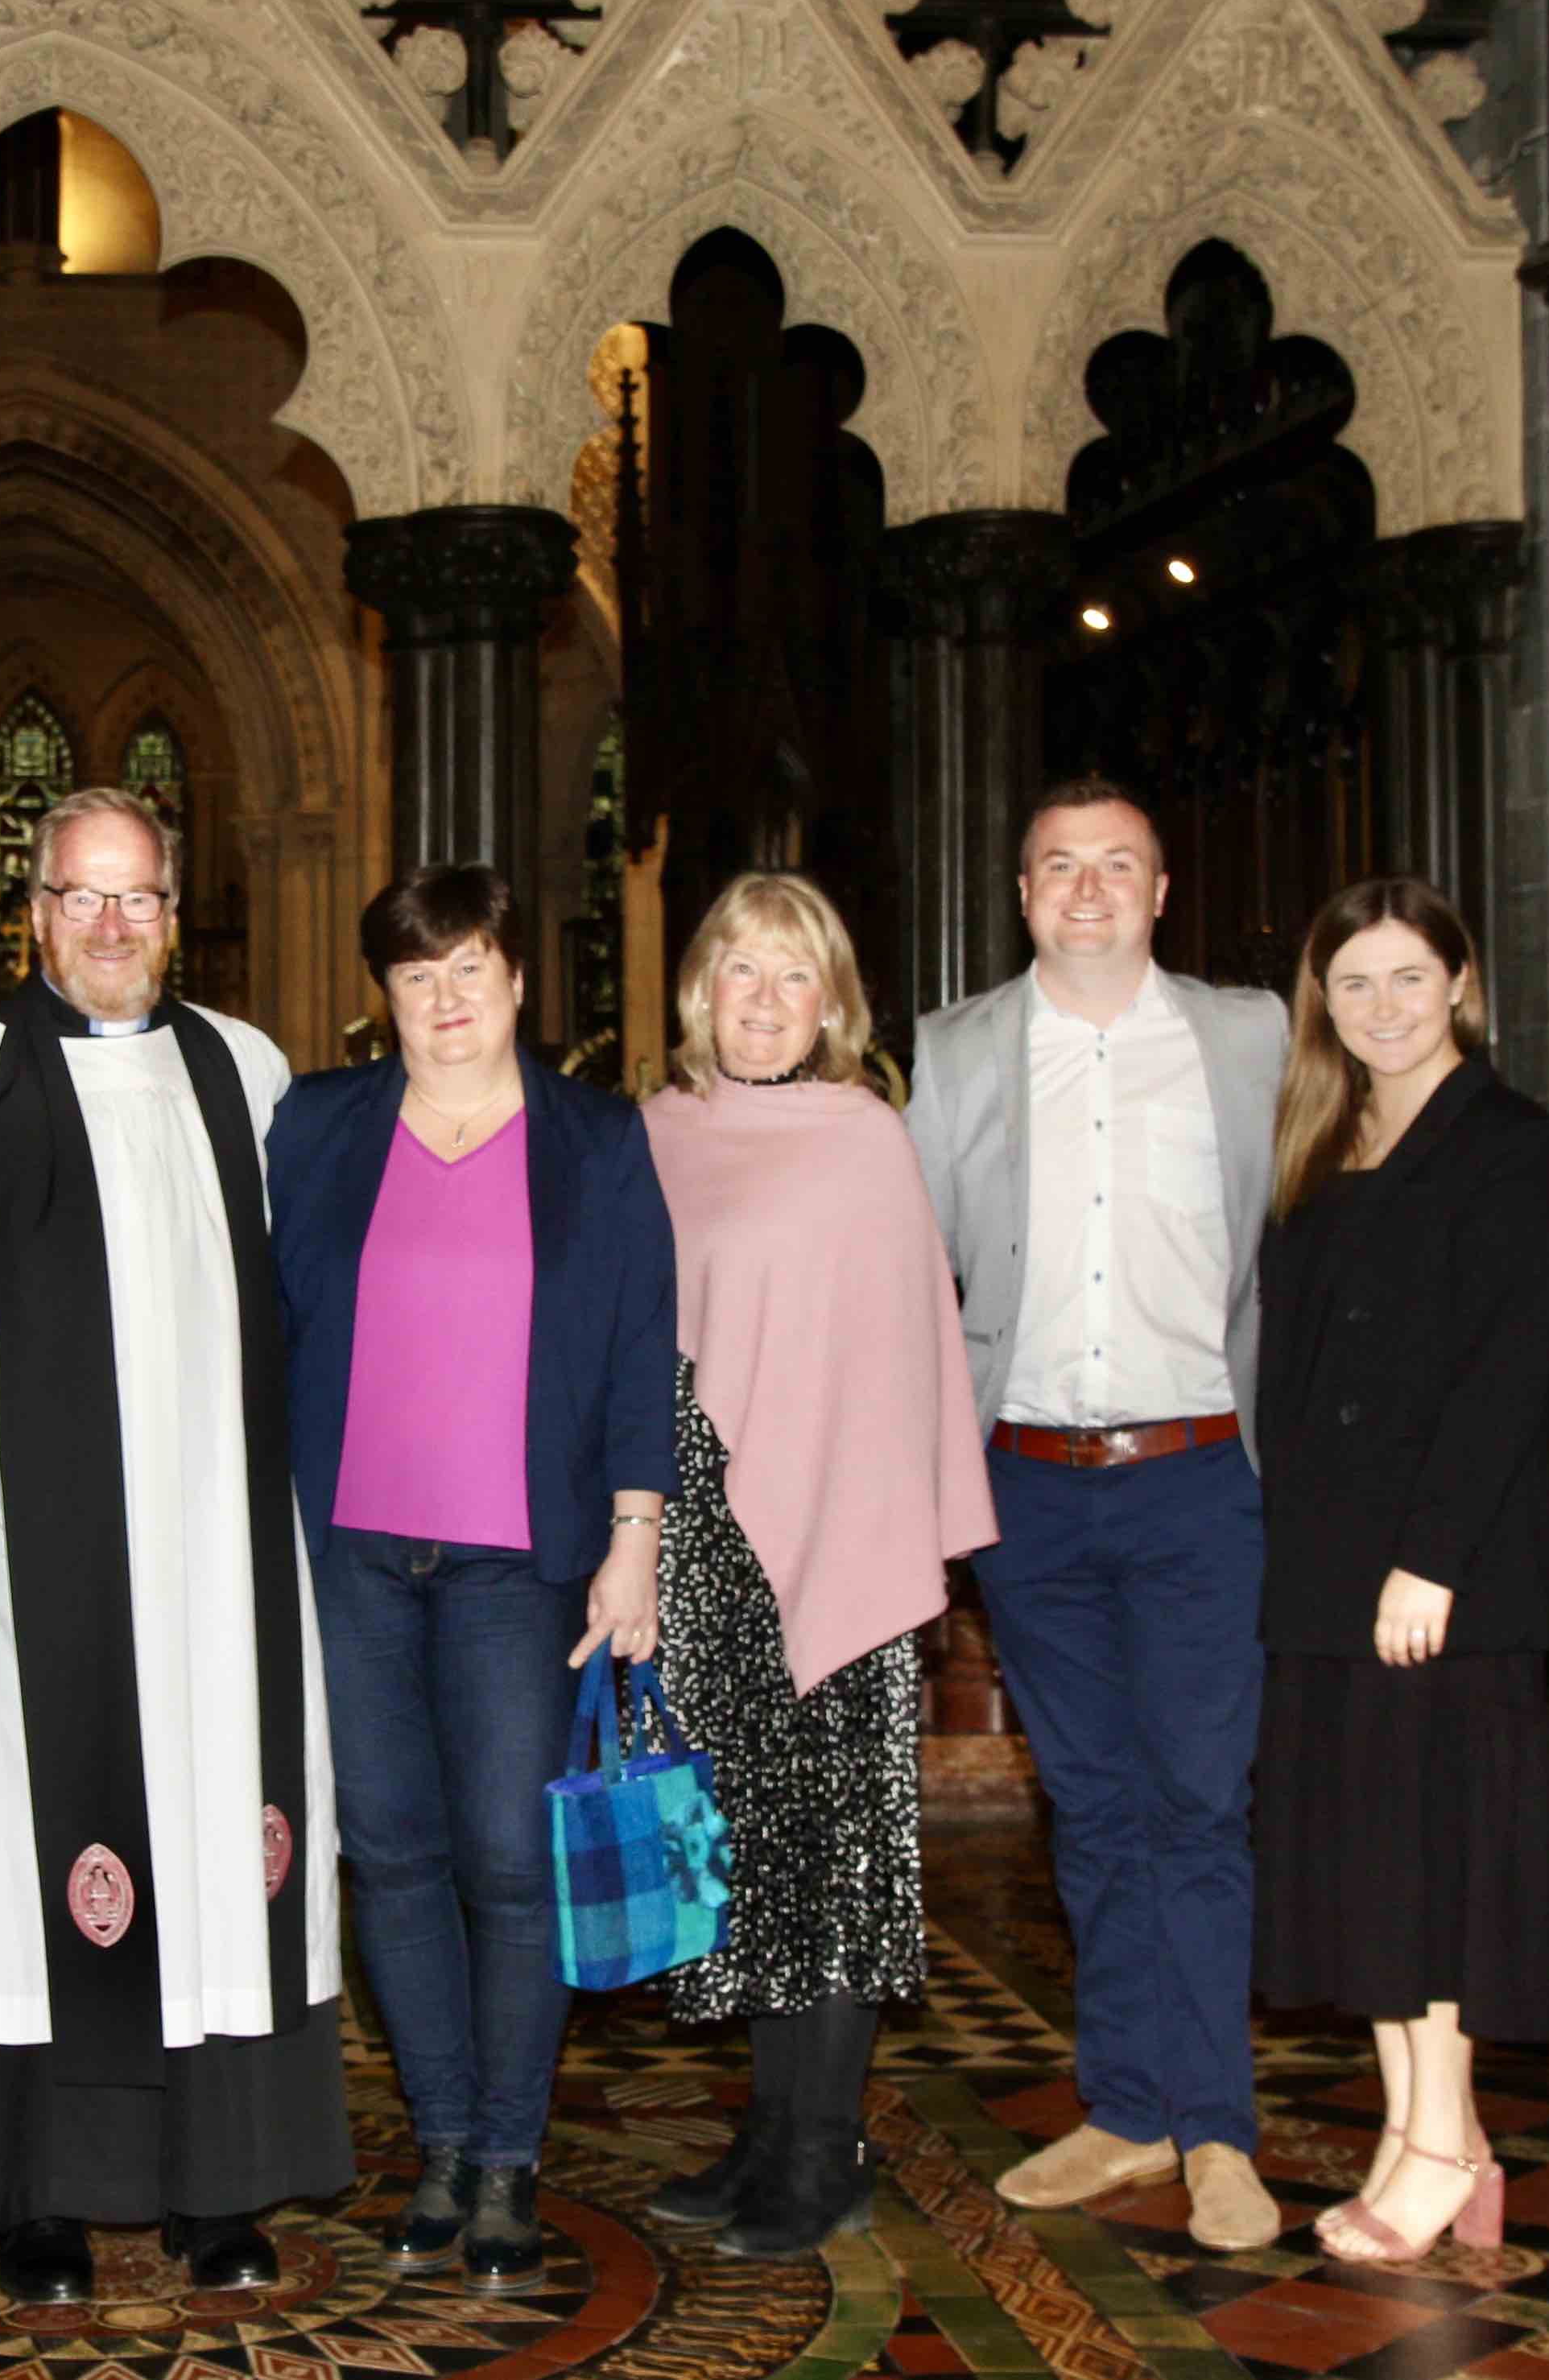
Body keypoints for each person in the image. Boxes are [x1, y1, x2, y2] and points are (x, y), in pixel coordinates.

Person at [0, 786, 349, 2301]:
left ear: (177, 912)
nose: (110, 926)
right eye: (81, 898)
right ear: (31, 912)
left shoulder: (249, 1069)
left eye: (138, 898)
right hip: (45, 1562)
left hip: (222, 1551)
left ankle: (214, 2184)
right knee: (41, 1857)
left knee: (225, 1839)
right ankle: (35, 2192)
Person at [265, 864, 675, 2290]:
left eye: (470, 969)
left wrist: (638, 1534)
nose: (445, 999)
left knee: (509, 1863)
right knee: (388, 1853)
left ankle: (509, 2156)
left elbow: (638, 1344)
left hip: (519, 1557)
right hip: (356, 1551)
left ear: (516, 980)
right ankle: (438, 2139)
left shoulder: (597, 1137)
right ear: (387, 996)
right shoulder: (316, 1126)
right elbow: (265, 1326)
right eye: (416, 975)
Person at [902, 778, 1289, 2254]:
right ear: (1021, 893)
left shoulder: (1247, 1036)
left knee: (1199, 1803)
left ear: (1162, 888)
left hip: (1201, 1473)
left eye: (1116, 864)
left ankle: (1218, 2133)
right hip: (1034, 1483)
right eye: (1058, 865)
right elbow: (918, 1280)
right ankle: (1128, 2108)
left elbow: (1307, 1225)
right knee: (1096, 1803)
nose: (1086, 889)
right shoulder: (958, 1048)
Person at [637, 874, 997, 2257]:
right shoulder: (659, 1133)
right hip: (699, 1544)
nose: (766, 1001)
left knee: (833, 1867)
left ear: (834, 1003)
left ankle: (822, 2148)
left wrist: (888, 1534)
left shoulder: (865, 1140)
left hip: (837, 1539)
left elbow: (908, 1354)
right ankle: (767, 2130)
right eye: (742, 973)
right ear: (700, 992)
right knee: (744, 1865)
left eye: (796, 977)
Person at [1252, 880, 1549, 2267]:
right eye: (1354, 982)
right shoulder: (1328, 1140)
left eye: (1407, 978)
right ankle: (1420, 2129)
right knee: (1366, 1858)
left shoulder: (1513, 1146)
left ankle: (1443, 2139)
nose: (1381, 1007)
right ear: (1323, 1000)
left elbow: (1506, 1371)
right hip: (1326, 1562)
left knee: (1431, 1857)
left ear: (1459, 983)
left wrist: (1426, 1562)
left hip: (1442, 1570)